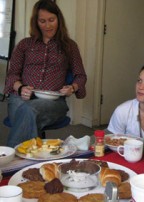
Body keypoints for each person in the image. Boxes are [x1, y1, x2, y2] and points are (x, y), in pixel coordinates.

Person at [4, 0, 87, 147]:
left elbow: (80, 76)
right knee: (26, 112)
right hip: (20, 98)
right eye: (42, 21)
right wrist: (21, 88)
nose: (48, 26)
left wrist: (72, 87)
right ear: (36, 22)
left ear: (59, 20)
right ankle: (33, 158)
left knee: (27, 110)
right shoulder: (24, 44)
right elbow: (12, 75)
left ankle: (10, 161)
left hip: (53, 102)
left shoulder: (69, 46)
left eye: (51, 20)